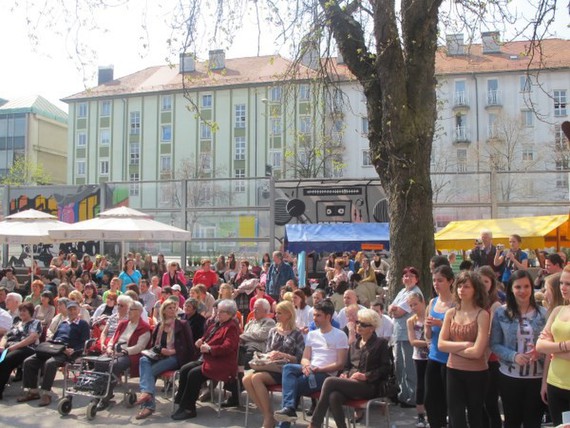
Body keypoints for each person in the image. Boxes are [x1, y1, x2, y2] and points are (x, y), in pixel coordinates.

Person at [308, 308, 391, 428]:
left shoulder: (380, 343)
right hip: (352, 383)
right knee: (334, 396)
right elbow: (347, 366)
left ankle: (314, 424)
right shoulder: (354, 344)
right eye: (358, 322)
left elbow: (386, 369)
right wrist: (345, 374)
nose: (358, 326)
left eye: (363, 324)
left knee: (330, 381)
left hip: (370, 386)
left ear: (372, 328)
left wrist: (365, 376)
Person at [273, 299, 348, 426]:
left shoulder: (340, 335)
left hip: (326, 376)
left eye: (318, 315)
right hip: (310, 370)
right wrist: (307, 365)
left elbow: (340, 364)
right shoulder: (312, 334)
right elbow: (304, 357)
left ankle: (287, 413)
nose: (314, 318)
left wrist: (318, 369)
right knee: (288, 368)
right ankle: (289, 409)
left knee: (292, 387)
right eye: (314, 315)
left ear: (328, 317)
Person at [490, 269, 547, 427]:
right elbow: (494, 344)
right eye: (518, 287)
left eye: (526, 286)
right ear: (511, 289)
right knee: (512, 422)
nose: (522, 291)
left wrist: (539, 352)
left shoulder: (544, 314)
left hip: (537, 378)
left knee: (533, 422)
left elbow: (549, 346)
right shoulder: (501, 312)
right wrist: (513, 356)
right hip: (509, 376)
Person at [172, 299, 240, 421]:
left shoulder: (232, 327)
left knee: (194, 374)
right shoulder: (217, 324)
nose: (218, 314)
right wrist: (201, 340)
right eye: (218, 311)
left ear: (230, 314)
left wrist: (210, 349)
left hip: (222, 362)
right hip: (209, 359)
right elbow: (207, 336)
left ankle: (189, 409)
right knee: (185, 369)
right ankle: (182, 403)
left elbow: (228, 347)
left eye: (222, 312)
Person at [438, 270, 490, 428]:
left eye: (466, 286)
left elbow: (477, 352)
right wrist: (464, 345)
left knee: (475, 415)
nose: (461, 289)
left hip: (477, 373)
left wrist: (452, 347)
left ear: (475, 289)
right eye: (459, 286)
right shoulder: (450, 313)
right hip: (453, 369)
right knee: (455, 415)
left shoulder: (482, 314)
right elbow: (441, 344)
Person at [243, 300, 305, 428]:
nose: (276, 315)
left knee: (256, 378)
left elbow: (299, 359)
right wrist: (268, 355)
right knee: (245, 379)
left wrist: (283, 355)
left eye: (279, 313)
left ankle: (268, 419)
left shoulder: (297, 334)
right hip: (270, 365)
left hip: (285, 369)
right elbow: (267, 351)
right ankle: (268, 415)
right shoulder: (273, 331)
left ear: (288, 314)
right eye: (276, 312)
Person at [18, 300, 90, 406]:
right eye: (70, 309)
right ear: (67, 310)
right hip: (54, 347)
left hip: (67, 351)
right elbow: (55, 338)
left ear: (78, 310)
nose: (72, 311)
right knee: (29, 361)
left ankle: (46, 394)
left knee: (50, 363)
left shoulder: (83, 324)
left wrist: (74, 350)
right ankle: (32, 391)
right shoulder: (63, 323)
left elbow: (85, 342)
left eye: (74, 309)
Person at [135, 299, 194, 419]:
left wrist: (172, 351)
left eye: (174, 308)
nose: (173, 310)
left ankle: (148, 403)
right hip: (159, 355)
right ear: (164, 311)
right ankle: (147, 394)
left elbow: (189, 346)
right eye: (170, 308)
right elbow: (154, 344)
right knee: (143, 360)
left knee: (149, 372)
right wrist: (158, 350)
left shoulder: (182, 324)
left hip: (176, 357)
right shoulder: (159, 326)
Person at [95, 300, 151, 410]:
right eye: (128, 309)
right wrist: (110, 347)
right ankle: (98, 393)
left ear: (139, 312)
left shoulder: (144, 327)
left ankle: (105, 397)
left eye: (131, 309)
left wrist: (125, 351)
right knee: (99, 362)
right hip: (115, 351)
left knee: (114, 365)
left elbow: (140, 346)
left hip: (130, 355)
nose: (128, 311)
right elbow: (113, 338)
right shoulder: (123, 324)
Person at [535, 265, 570, 426]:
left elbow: (547, 347)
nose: (563, 287)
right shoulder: (557, 310)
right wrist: (563, 346)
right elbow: (540, 346)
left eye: (568, 284)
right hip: (554, 384)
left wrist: (554, 350)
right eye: (562, 283)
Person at [424, 265, 455, 428]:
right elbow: (427, 335)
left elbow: (459, 331)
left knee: (448, 399)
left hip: (450, 358)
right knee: (430, 398)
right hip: (434, 356)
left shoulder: (456, 303)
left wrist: (441, 323)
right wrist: (428, 327)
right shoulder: (432, 301)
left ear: (450, 281)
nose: (436, 284)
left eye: (440, 281)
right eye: (434, 280)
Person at [388, 266, 423, 408]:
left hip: (408, 334)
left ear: (416, 279)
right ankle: (403, 395)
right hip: (398, 333)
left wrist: (394, 309)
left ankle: (412, 398)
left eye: (410, 276)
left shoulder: (415, 293)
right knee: (399, 365)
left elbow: (399, 312)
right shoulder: (402, 291)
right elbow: (390, 308)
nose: (407, 278)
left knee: (409, 366)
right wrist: (393, 309)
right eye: (405, 276)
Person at [477, 265, 503, 428]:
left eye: (486, 281)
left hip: (490, 360)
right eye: (479, 281)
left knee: (490, 402)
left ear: (492, 283)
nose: (483, 284)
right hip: (476, 358)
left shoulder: (495, 305)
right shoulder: (473, 303)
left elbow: (490, 334)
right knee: (478, 404)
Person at [0, 302, 42, 399]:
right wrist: (2, 346)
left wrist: (14, 347)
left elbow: (32, 338)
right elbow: (6, 336)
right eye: (20, 311)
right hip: (9, 347)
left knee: (5, 362)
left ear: (30, 312)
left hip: (27, 348)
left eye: (24, 311)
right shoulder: (17, 323)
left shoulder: (35, 323)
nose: (22, 313)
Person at [406, 292, 429, 428]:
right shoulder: (411, 321)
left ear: (422, 302)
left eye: (416, 304)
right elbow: (413, 341)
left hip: (433, 356)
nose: (413, 307)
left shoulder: (430, 317)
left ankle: (435, 412)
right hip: (419, 356)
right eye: (411, 305)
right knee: (420, 384)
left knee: (433, 384)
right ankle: (420, 415)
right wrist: (427, 343)